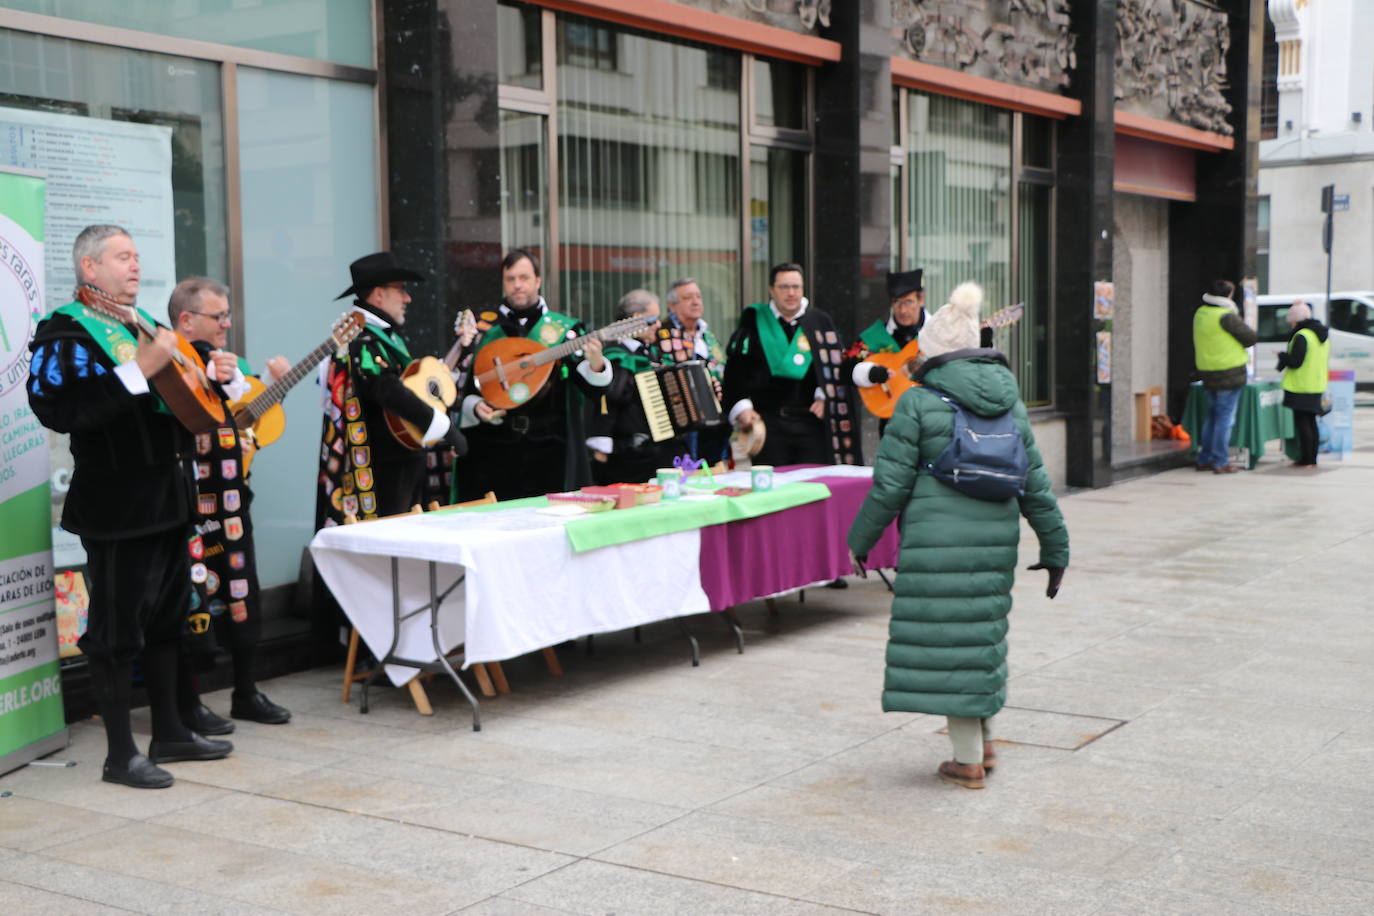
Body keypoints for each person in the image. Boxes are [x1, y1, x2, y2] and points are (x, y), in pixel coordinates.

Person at [28, 225, 232, 789]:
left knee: (168, 620)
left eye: (137, 256)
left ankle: (170, 731)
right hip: (116, 506)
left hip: (169, 498)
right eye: (122, 257)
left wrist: (215, 377)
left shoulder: (145, 326)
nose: (135, 266)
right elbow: (59, 409)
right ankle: (120, 755)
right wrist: (137, 370)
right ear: (89, 269)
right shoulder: (67, 330)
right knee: (116, 633)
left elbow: (188, 403)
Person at [846, 282, 1068, 790]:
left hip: (933, 541)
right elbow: (1036, 483)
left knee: (947, 638)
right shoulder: (1011, 405)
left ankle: (967, 759)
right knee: (980, 633)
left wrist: (860, 541)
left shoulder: (918, 404)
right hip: (994, 539)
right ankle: (983, 742)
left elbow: (889, 485)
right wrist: (1056, 547)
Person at [168, 277, 292, 731]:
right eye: (216, 317)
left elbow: (253, 412)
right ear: (186, 320)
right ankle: (191, 702)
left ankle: (246, 690)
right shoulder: (171, 362)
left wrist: (249, 380)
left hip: (232, 501)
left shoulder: (229, 364)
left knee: (243, 592)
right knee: (194, 600)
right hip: (189, 506)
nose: (225, 324)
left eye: (226, 315)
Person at [316, 251, 466, 528]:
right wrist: (444, 427)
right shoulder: (361, 340)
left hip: (402, 465)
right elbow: (387, 390)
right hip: (380, 473)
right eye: (401, 289)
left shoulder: (383, 337)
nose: (407, 298)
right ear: (378, 295)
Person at [456, 248, 611, 499]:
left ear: (538, 281)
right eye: (510, 279)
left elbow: (592, 389)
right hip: (494, 454)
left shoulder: (564, 330)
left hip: (552, 453)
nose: (517, 285)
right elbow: (465, 388)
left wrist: (596, 364)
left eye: (524, 278)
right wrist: (475, 407)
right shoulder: (485, 330)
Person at [722, 262, 862, 468]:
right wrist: (741, 406)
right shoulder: (754, 320)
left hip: (811, 424)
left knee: (813, 489)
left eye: (796, 287)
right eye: (784, 287)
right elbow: (735, 370)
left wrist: (826, 396)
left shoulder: (819, 321)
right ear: (771, 289)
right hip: (768, 424)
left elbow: (836, 368)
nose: (791, 293)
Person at [586, 289, 689, 484]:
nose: (659, 324)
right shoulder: (615, 355)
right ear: (637, 319)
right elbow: (609, 400)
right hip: (629, 456)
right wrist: (600, 447)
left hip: (660, 452)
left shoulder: (654, 354)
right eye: (654, 319)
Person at [844, 268, 927, 435]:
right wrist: (871, 373)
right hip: (892, 421)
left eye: (908, 302)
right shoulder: (876, 335)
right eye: (897, 303)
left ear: (921, 300)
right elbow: (846, 367)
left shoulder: (938, 332)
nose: (902, 310)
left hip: (931, 418)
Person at [1192, 279, 1257, 474]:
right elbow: (1250, 337)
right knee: (1224, 419)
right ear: (1227, 296)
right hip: (1229, 372)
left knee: (1211, 417)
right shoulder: (1226, 316)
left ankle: (1205, 458)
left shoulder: (1201, 313)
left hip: (1207, 370)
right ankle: (1220, 461)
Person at [660, 277, 727, 463]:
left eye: (698, 296)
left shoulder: (707, 334)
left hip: (714, 420)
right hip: (681, 427)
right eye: (688, 297)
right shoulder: (663, 334)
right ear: (672, 306)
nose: (696, 301)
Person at [1277, 301, 1330, 468]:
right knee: (1311, 422)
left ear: (1296, 320)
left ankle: (1306, 459)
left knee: (1303, 424)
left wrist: (1283, 356)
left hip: (1300, 386)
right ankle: (1312, 459)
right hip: (1316, 384)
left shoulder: (1302, 336)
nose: (1290, 324)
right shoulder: (1321, 335)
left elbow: (1296, 362)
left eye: (1291, 320)